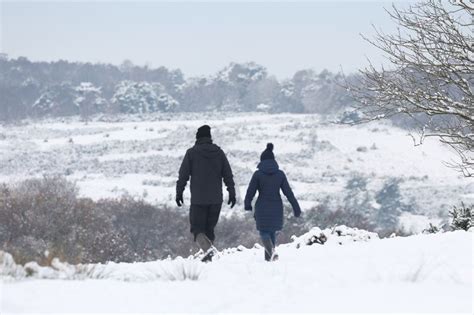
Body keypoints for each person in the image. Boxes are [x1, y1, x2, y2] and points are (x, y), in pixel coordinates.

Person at [176, 125, 236, 262]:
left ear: (197, 137)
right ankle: (208, 259)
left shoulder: (191, 153)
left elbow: (183, 175)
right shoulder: (219, 153)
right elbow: (228, 174)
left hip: (198, 199)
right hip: (216, 199)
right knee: (209, 229)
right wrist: (231, 192)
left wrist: (179, 192)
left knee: (197, 229)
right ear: (210, 137)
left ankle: (208, 251)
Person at [244, 143, 301, 261]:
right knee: (271, 232)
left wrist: (247, 204)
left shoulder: (258, 174)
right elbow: (288, 193)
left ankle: (271, 253)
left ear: (262, 160)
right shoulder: (280, 174)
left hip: (262, 207)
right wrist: (296, 207)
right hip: (276, 207)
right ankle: (269, 261)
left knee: (264, 231)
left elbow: (251, 191)